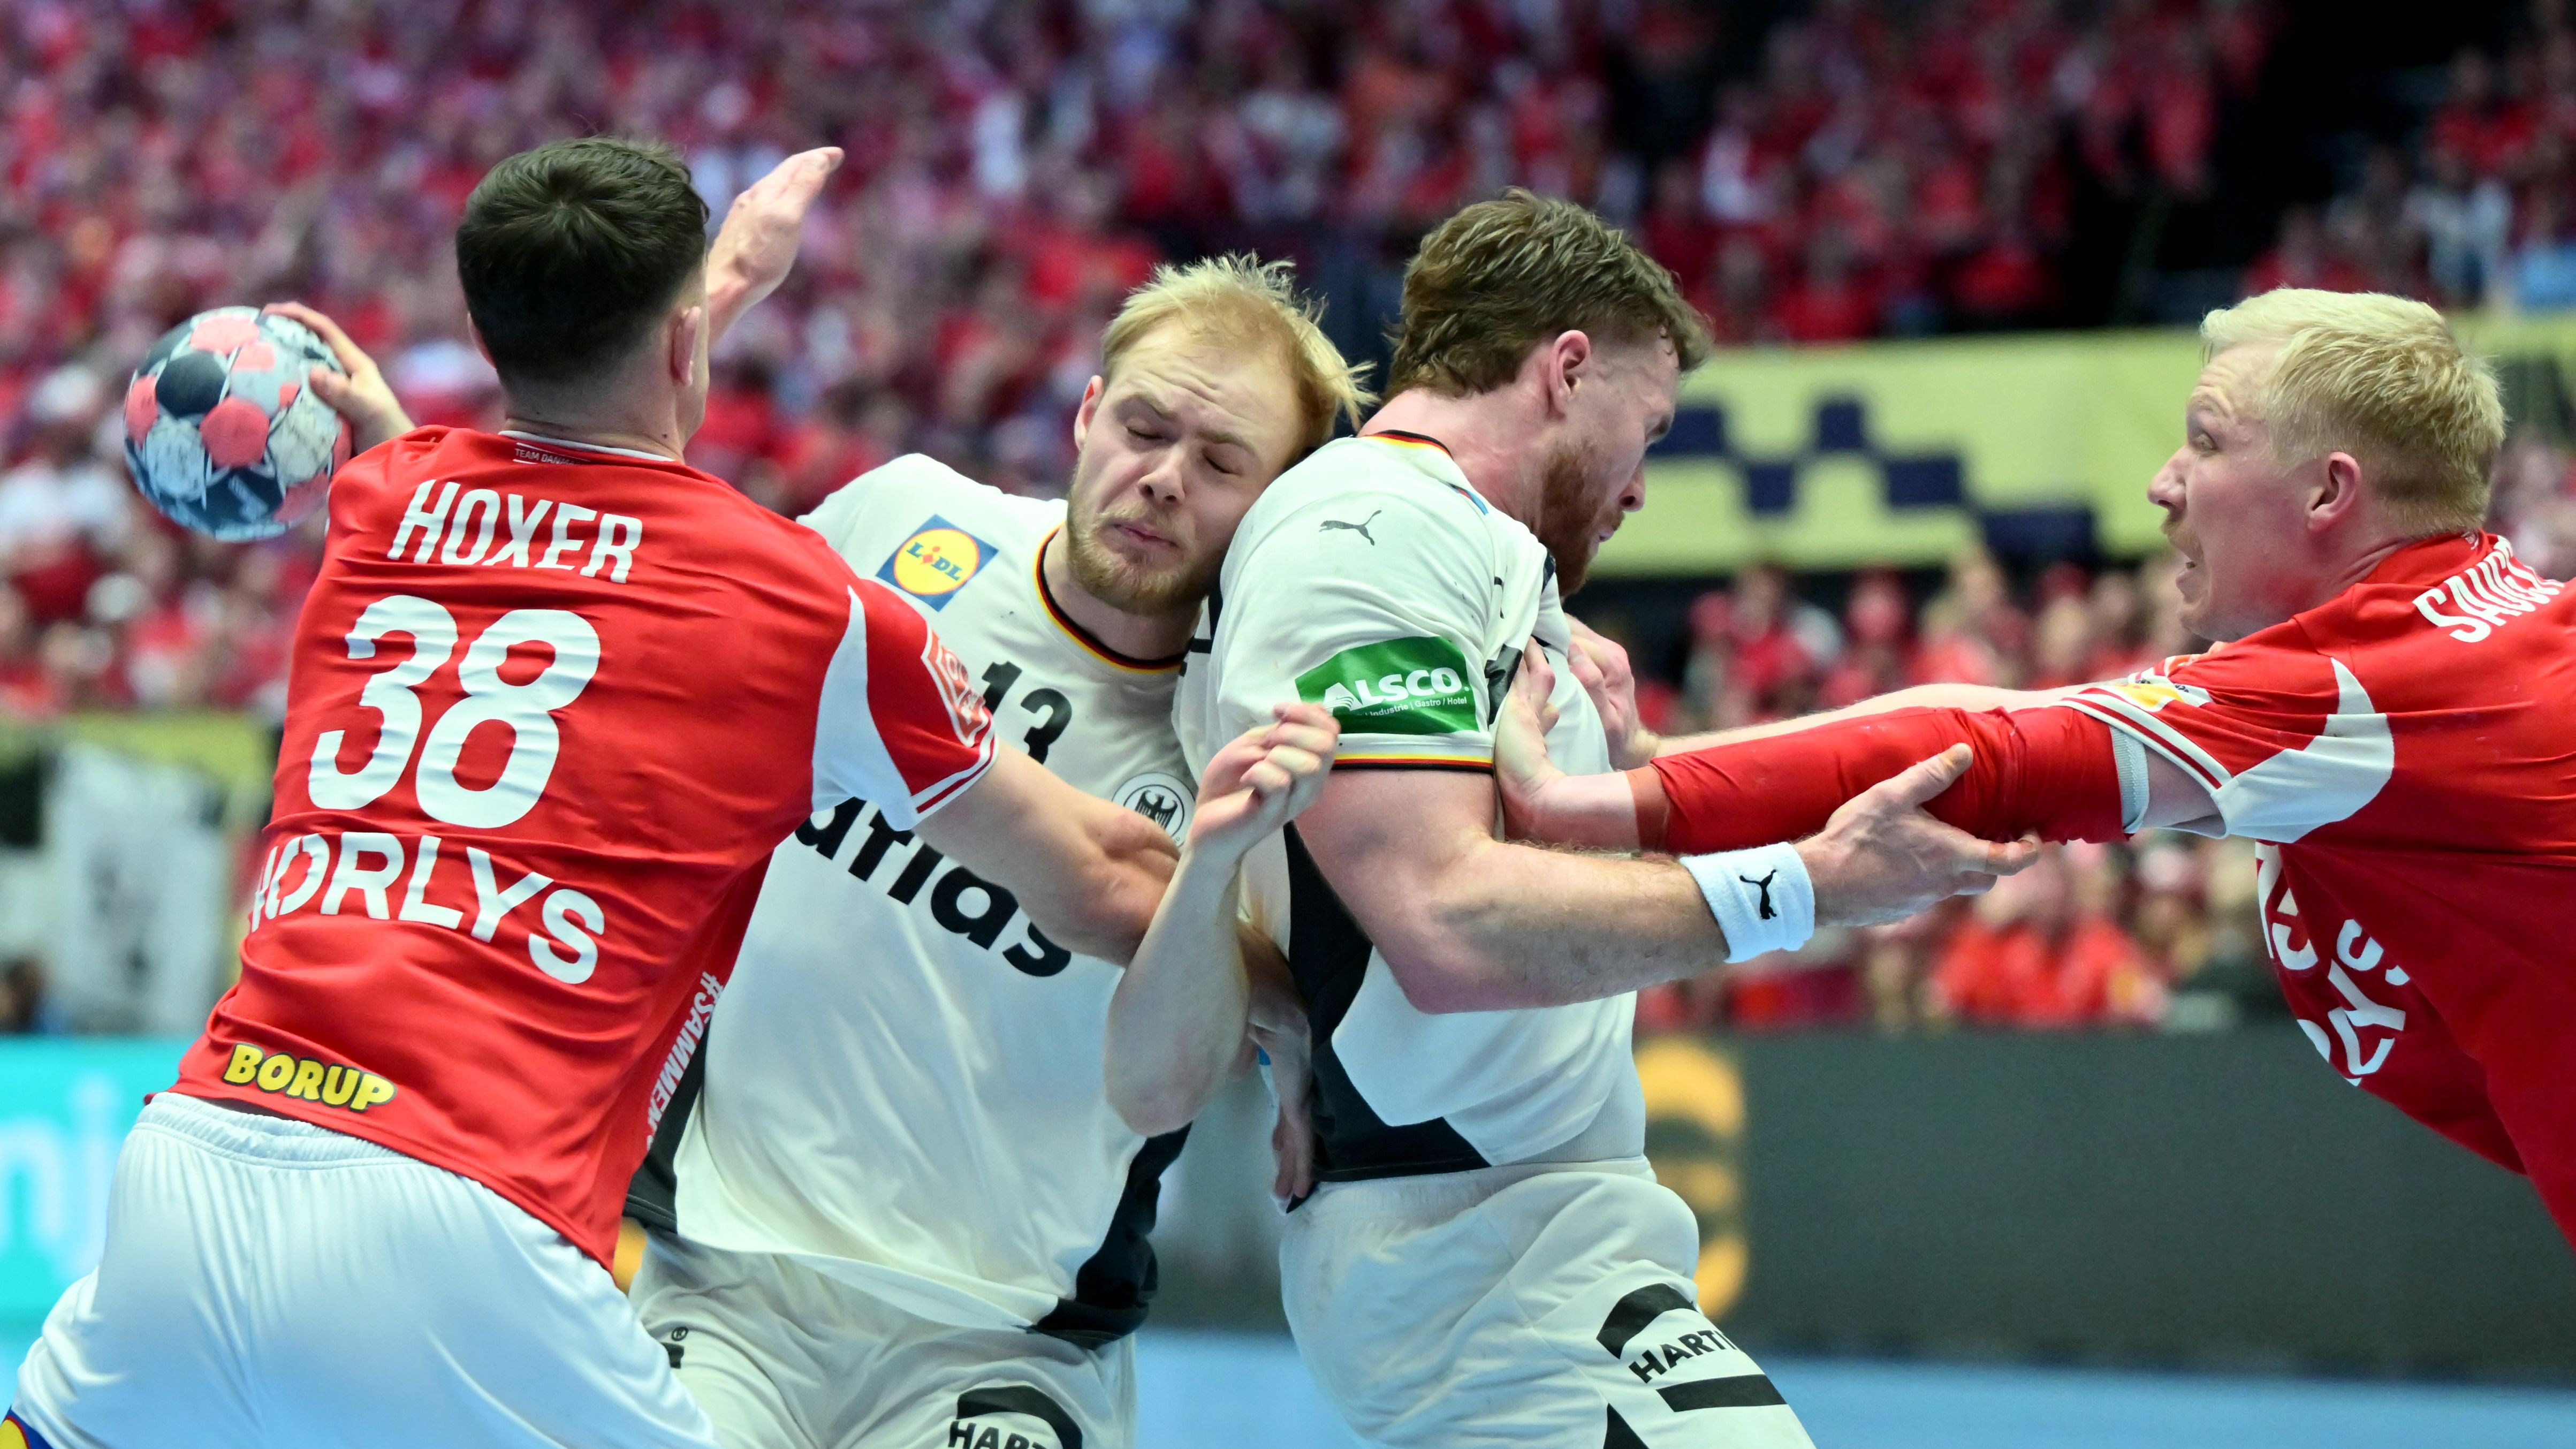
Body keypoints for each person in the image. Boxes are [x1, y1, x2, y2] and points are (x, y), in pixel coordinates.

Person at [2, 137, 1298, 1449]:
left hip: (193, 1154)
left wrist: (717, 285)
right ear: (686, 349)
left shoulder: (384, 496)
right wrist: (1294, 1004)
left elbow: (561, 447)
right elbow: (1104, 883)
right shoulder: (805, 605)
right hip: (467, 1213)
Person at [1131, 189, 2037, 1448]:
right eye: (1648, 428)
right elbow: (1443, 922)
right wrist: (1808, 887)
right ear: (1566, 371)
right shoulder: (1367, 534)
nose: (1641, 486)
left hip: (1519, 1225)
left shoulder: (1464, 554)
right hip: (1483, 1254)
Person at [1502, 288, 2576, 1250]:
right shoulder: (2438, 656)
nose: (2162, 483)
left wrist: (1592, 804)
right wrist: (1656, 764)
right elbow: (1995, 717)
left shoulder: (2363, 695)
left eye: (2204, 442)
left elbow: (1993, 756)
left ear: (2326, 494)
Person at [621, 255, 1367, 1449]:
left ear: (1274, 501)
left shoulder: (1245, 740)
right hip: (725, 1278)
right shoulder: (902, 517)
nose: (1163, 479)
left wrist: (1232, 905)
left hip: (1005, 1339)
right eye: (1142, 426)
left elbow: (1178, 1079)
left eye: (1221, 463)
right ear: (1084, 415)